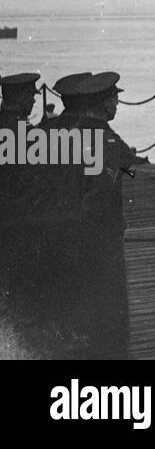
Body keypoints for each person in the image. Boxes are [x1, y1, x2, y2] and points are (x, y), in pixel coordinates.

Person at [56, 71, 134, 358]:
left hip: (66, 232)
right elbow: (112, 178)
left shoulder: (68, 135)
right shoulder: (106, 140)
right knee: (108, 307)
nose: (116, 104)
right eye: (113, 98)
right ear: (103, 102)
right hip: (100, 236)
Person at [0, 72, 39, 323]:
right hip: (18, 217)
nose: (34, 101)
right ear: (22, 97)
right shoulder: (25, 134)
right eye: (31, 96)